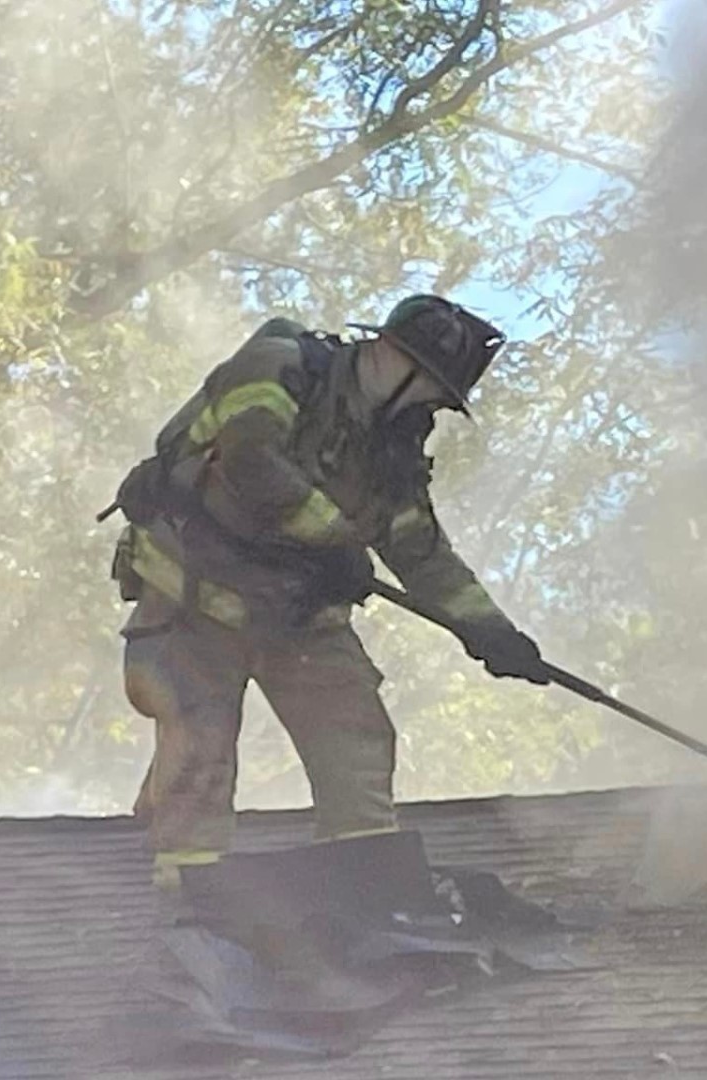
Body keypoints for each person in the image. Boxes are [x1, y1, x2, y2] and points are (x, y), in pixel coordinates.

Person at [104, 294, 551, 891]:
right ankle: (187, 897)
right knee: (200, 740)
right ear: (391, 354)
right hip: (193, 596)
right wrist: (338, 540)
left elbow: (420, 552)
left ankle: (365, 887)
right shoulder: (277, 367)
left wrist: (491, 631)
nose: (429, 407)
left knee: (355, 732)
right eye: (429, 388)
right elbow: (252, 460)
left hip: (294, 613)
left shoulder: (390, 450)